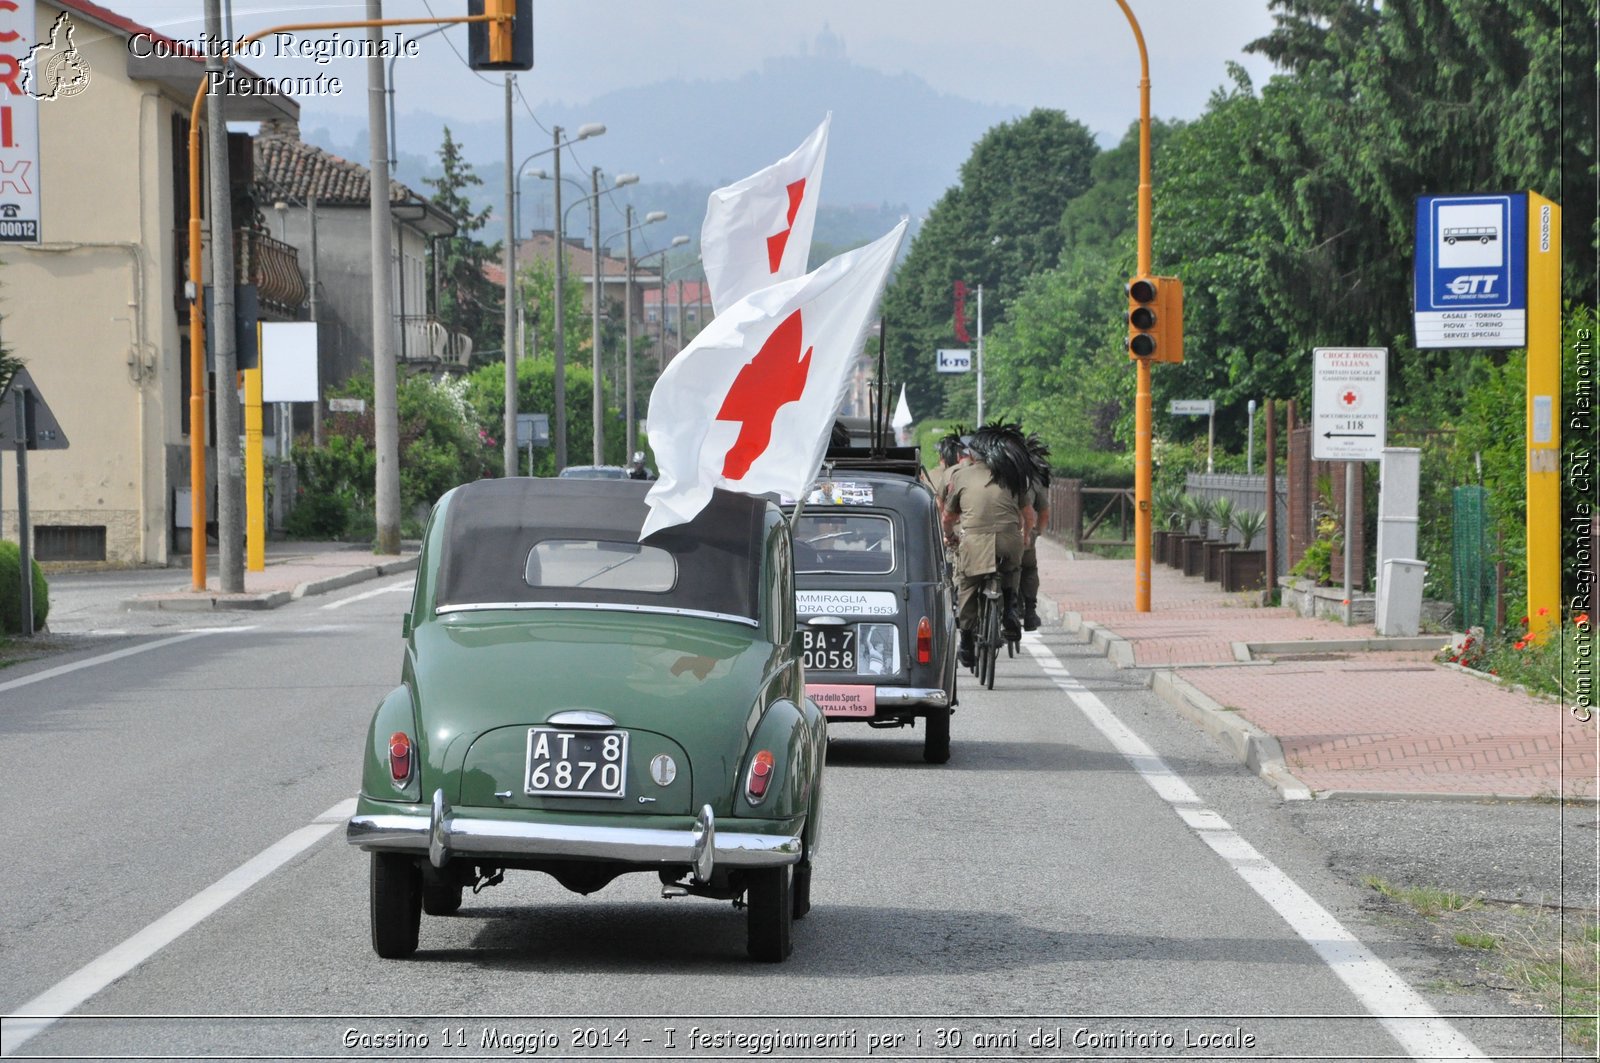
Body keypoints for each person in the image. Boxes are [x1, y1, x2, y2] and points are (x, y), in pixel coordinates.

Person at [941, 421, 1033, 666]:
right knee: (1012, 569)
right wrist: (1024, 536)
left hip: (974, 542)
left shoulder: (961, 476)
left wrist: (949, 535)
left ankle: (967, 643)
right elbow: (1029, 515)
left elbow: (948, 517)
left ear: (972, 454)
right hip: (1008, 540)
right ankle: (1011, 609)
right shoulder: (1013, 475)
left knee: (968, 584)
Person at [1018, 433, 1051, 630]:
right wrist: (1036, 532)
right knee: (1028, 568)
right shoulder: (1032, 480)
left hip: (987, 536)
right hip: (1022, 536)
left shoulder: (993, 475)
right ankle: (1030, 611)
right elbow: (1043, 512)